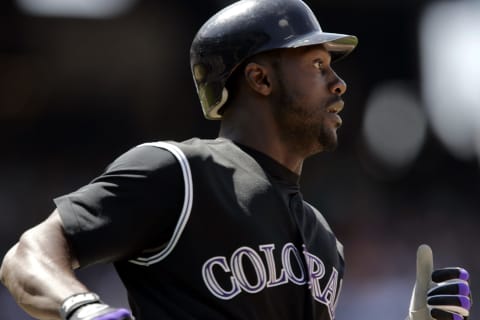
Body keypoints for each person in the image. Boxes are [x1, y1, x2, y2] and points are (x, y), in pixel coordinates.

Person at [0, 0, 472, 319]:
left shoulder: (323, 237)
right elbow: (27, 256)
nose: (338, 83)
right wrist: (84, 310)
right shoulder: (178, 172)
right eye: (317, 65)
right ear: (260, 80)